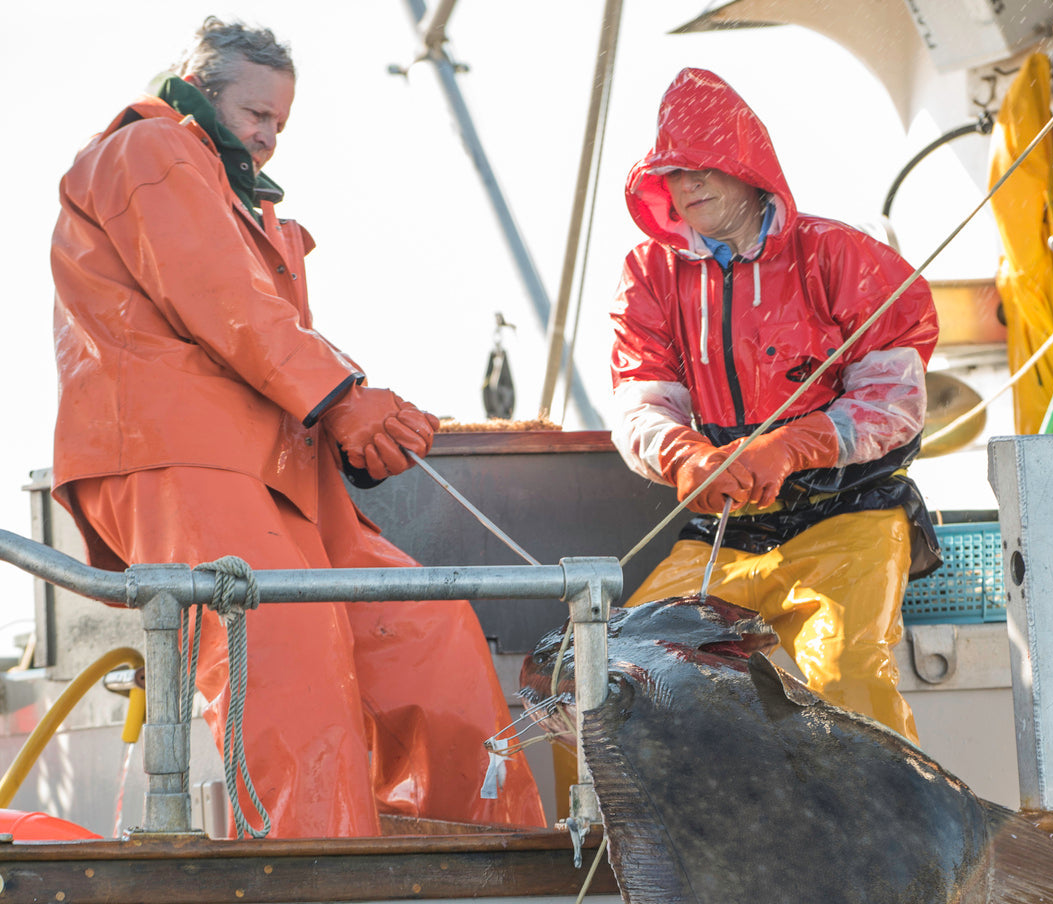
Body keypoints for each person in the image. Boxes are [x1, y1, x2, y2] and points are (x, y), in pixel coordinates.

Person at [50, 17, 544, 837]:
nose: (270, 136)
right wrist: (343, 398)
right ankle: (322, 871)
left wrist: (364, 414)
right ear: (200, 92)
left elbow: (266, 326)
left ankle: (493, 855)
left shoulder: (236, 199)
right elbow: (223, 302)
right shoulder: (149, 153)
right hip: (178, 457)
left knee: (432, 632)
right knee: (292, 658)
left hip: (281, 470)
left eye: (281, 122)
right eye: (257, 115)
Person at [610, 68, 942, 743]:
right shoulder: (650, 273)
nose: (688, 185)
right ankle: (653, 849)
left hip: (850, 514)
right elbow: (639, 396)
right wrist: (684, 455)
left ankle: (893, 851)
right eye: (673, 172)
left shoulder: (841, 254)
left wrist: (793, 445)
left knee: (850, 678)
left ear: (749, 169)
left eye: (706, 166)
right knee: (615, 675)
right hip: (728, 529)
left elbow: (897, 399)